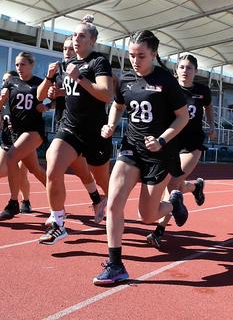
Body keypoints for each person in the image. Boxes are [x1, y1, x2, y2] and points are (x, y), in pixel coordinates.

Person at [93, 30, 190, 285]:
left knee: (146, 216)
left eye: (141, 56)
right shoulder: (125, 79)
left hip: (160, 153)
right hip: (131, 149)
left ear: (154, 54)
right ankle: (115, 264)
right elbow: (118, 104)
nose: (135, 61)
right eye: (132, 55)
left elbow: (183, 117)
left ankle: (174, 203)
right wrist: (111, 124)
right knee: (114, 203)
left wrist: (162, 140)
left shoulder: (166, 81)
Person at [37, 16, 113, 245]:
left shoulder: (99, 62)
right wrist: (52, 81)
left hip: (95, 133)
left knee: (106, 183)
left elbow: (107, 94)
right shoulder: (64, 66)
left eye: (81, 36)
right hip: (70, 128)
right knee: (52, 163)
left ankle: (111, 204)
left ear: (93, 41)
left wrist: (79, 78)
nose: (76, 39)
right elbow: (40, 97)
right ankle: (58, 223)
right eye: (73, 35)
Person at [145, 54, 215, 249]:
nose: (185, 71)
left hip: (192, 144)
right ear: (176, 70)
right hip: (171, 143)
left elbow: (209, 107)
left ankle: (159, 231)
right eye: (182, 67)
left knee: (172, 184)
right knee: (172, 184)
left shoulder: (202, 91)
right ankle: (195, 187)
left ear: (196, 71)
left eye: (189, 68)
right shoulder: (170, 88)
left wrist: (212, 125)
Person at [0, 52, 48, 219]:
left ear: (31, 65)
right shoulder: (10, 83)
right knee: (34, 170)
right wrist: (2, 99)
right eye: (17, 65)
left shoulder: (39, 83)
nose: (19, 68)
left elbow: (53, 99)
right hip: (13, 135)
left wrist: (46, 106)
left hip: (32, 132)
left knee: (12, 158)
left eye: (23, 64)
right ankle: (55, 189)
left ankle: (14, 202)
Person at [0, 70, 33, 217]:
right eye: (3, 80)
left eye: (7, 80)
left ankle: (25, 201)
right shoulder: (2, 96)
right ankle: (16, 172)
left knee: (23, 175)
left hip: (23, 139)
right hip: (7, 138)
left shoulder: (20, 95)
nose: (4, 83)